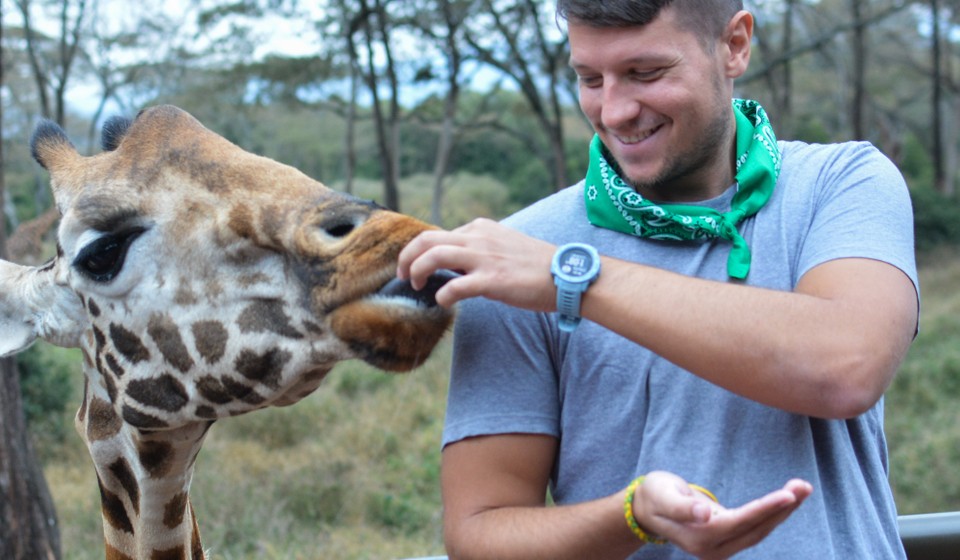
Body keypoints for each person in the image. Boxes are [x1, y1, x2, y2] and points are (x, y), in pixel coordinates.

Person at [397, 0, 919, 558]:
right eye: (590, 78)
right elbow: (479, 537)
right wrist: (631, 515)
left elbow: (845, 367)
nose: (615, 111)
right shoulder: (512, 260)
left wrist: (573, 278)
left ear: (734, 45)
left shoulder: (842, 184)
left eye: (646, 73)